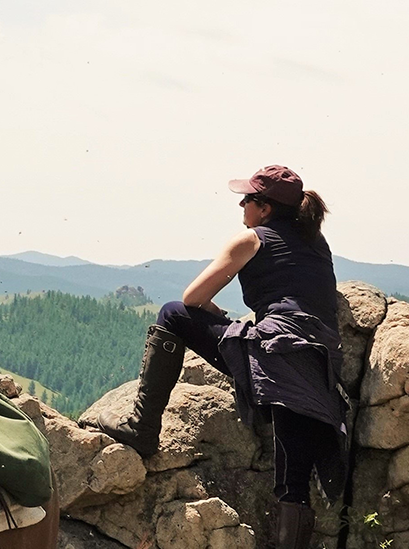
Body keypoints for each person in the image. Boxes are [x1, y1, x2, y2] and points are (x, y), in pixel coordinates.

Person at [93, 165, 349, 549]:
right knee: (292, 483)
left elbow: (191, 299)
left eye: (247, 198)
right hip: (319, 365)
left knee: (171, 314)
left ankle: (142, 428)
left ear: (264, 209)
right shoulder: (317, 243)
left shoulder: (250, 240)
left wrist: (220, 319)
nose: (242, 204)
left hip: (276, 355)